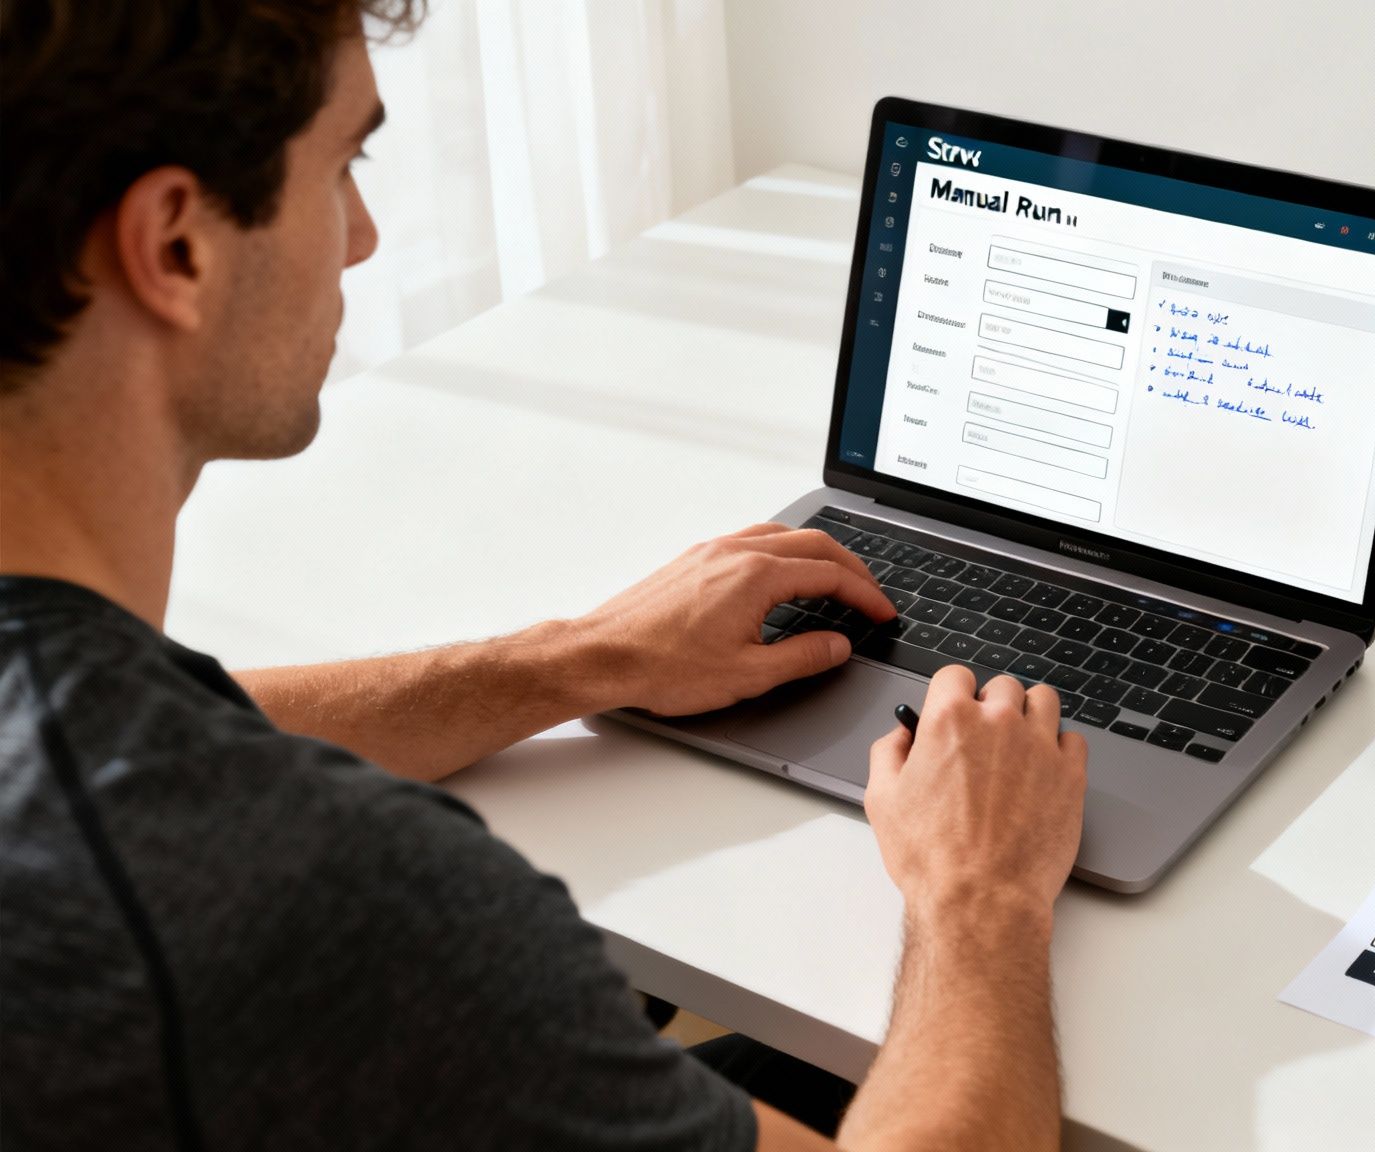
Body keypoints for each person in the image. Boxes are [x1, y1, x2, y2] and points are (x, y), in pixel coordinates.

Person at [0, 2, 1089, 1149]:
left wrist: (584, 658)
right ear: (177, 245)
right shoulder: (329, 901)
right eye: (342, 165)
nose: (363, 237)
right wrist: (981, 898)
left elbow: (156, 740)